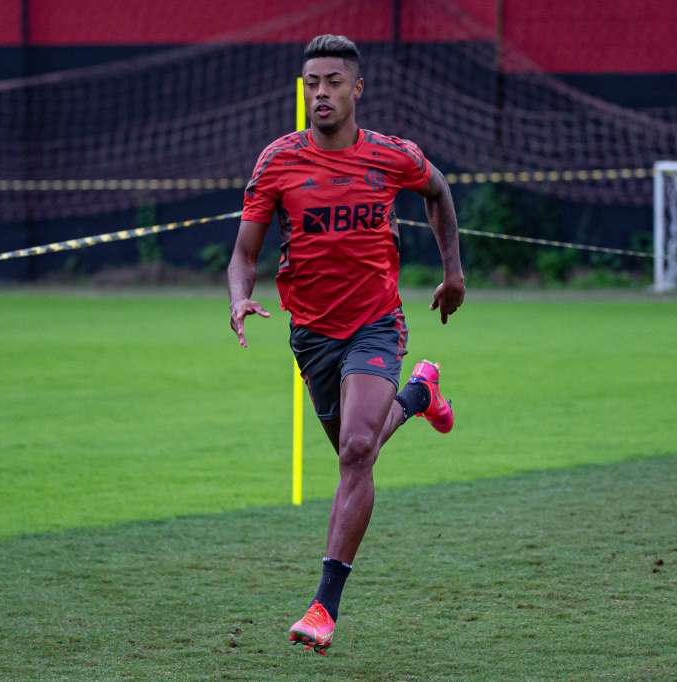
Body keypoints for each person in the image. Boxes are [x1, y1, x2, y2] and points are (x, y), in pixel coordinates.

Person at [227, 34, 465, 656]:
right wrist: (238, 297)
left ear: (356, 89)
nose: (321, 93)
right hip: (311, 332)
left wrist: (453, 272)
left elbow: (438, 191)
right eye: (312, 83)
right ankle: (420, 393)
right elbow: (244, 252)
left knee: (357, 450)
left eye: (333, 82)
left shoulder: (392, 156)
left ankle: (323, 607)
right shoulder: (277, 161)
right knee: (353, 451)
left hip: (377, 322)